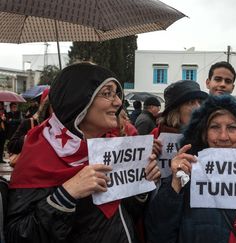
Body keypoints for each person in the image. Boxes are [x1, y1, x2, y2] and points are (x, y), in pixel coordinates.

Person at [6, 63, 161, 243]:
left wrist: (141, 185)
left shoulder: (113, 147)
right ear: (79, 100)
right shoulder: (38, 156)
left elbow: (127, 215)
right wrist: (66, 194)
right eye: (107, 93)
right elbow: (18, 234)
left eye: (116, 93)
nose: (118, 102)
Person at [146, 95, 236, 243]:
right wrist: (174, 187)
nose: (223, 137)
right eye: (215, 127)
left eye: (232, 128)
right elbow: (159, 234)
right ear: (204, 134)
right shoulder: (185, 174)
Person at [7, 88, 51, 156]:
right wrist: (30, 136)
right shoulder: (29, 123)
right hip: (32, 163)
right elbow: (11, 146)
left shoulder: (66, 126)